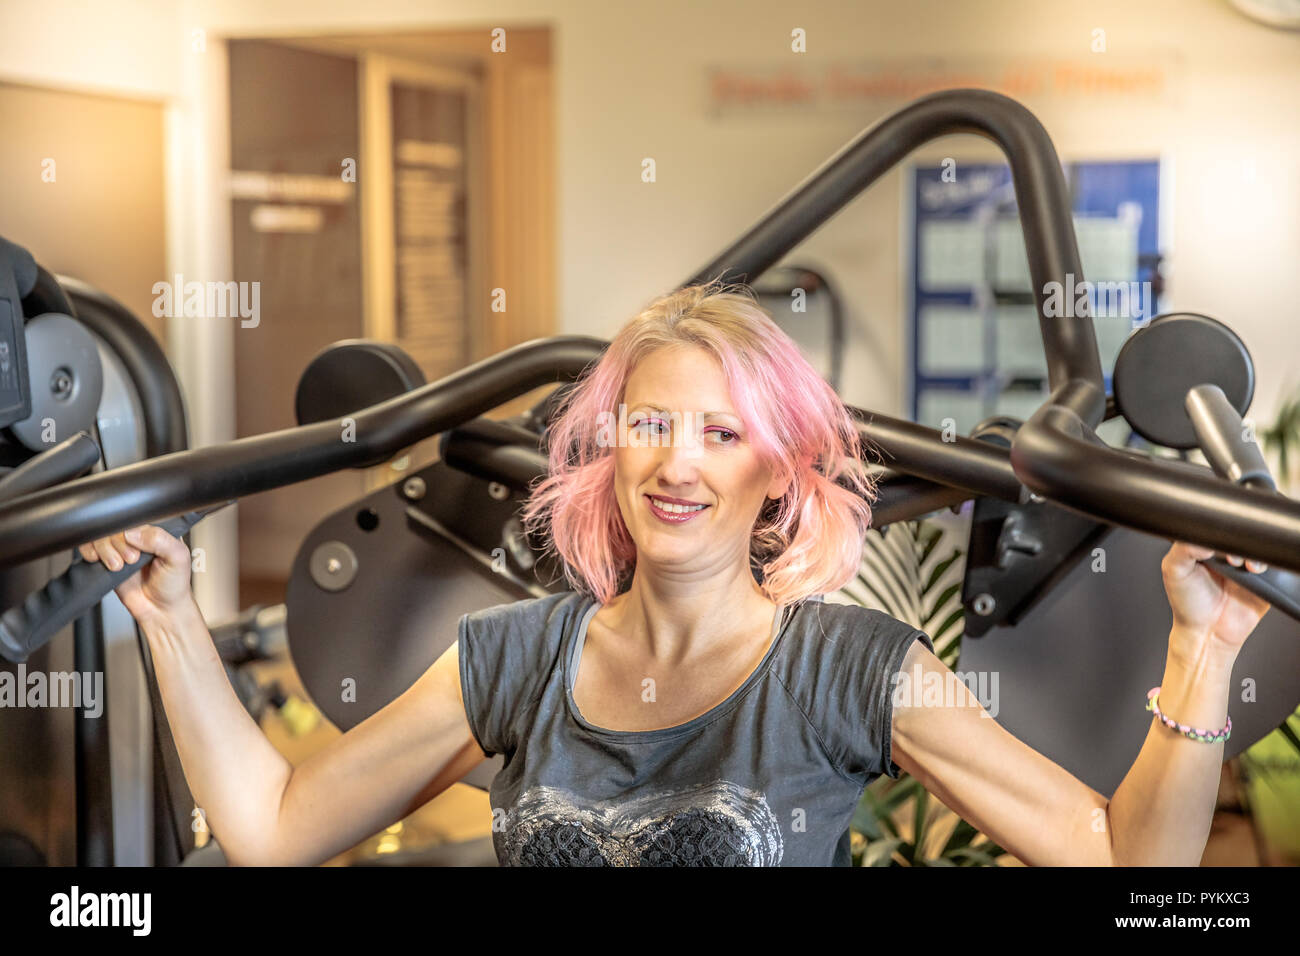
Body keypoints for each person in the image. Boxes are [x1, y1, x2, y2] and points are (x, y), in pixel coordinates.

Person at [80, 280, 1273, 867]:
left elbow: (1126, 865)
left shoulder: (850, 669)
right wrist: (173, 620)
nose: (675, 463)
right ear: (609, 452)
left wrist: (1203, 646)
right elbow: (275, 827)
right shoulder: (516, 656)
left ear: (781, 469)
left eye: (719, 432)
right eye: (649, 426)